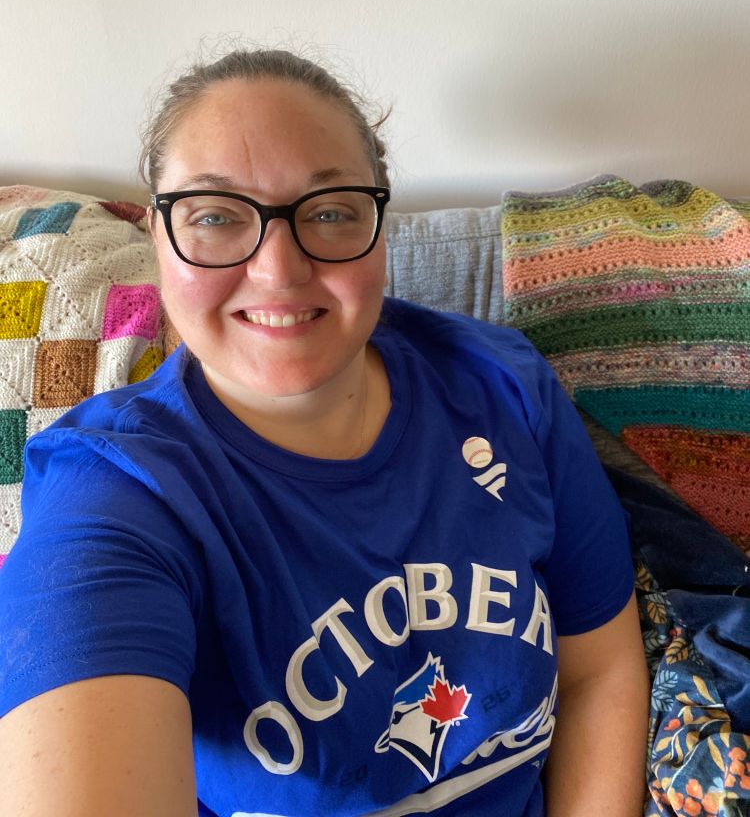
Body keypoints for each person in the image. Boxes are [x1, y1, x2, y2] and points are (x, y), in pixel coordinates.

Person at [0, 48, 649, 816]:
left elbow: (598, 670)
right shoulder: (116, 493)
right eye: (214, 215)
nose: (278, 269)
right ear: (159, 239)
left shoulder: (503, 385)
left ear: (378, 226)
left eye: (330, 210)